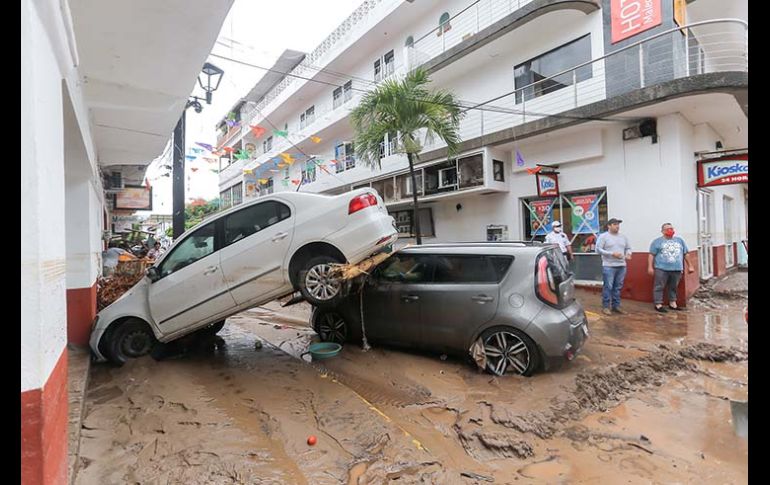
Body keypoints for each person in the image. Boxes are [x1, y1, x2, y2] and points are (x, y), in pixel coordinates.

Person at [648, 223, 694, 312]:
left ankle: (673, 304)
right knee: (659, 286)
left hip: (676, 269)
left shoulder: (680, 241)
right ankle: (658, 304)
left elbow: (686, 253)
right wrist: (650, 267)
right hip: (661, 269)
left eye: (671, 228)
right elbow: (651, 255)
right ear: (662, 231)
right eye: (667, 229)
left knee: (673, 287)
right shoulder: (657, 242)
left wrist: (690, 265)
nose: (670, 230)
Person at [595, 218, 632, 316]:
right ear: (609, 226)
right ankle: (606, 306)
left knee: (618, 287)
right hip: (609, 266)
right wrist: (612, 254)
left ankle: (616, 306)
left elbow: (628, 248)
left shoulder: (623, 237)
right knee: (608, 286)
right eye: (615, 224)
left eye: (618, 224)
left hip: (622, 265)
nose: (617, 226)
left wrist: (629, 253)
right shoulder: (603, 237)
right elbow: (598, 249)